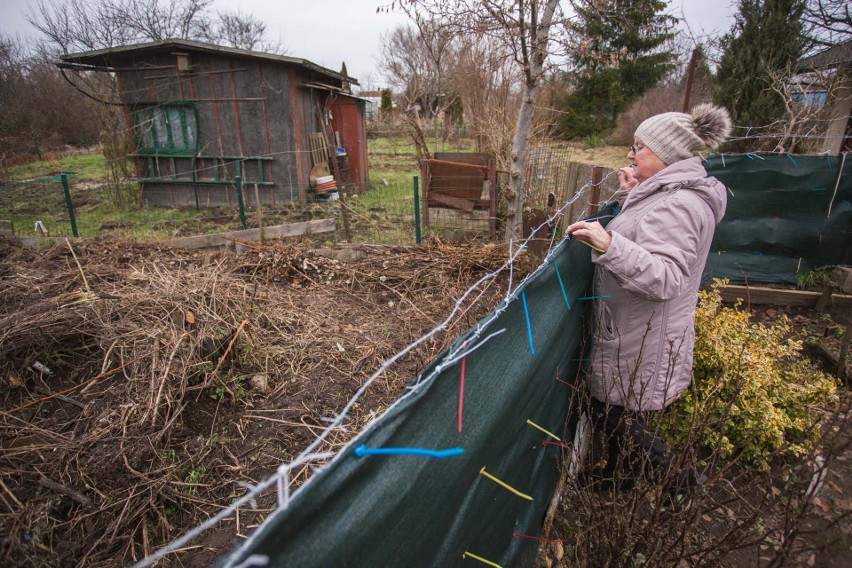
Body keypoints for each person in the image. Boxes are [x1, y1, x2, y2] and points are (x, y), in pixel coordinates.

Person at [564, 103, 732, 495]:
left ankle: (678, 482)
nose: (630, 153)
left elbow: (666, 277)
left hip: (642, 335)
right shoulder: (673, 194)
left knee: (608, 412)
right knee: (618, 412)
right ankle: (616, 482)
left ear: (666, 154)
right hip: (640, 329)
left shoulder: (679, 204)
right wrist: (634, 195)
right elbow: (652, 228)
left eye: (639, 146)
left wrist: (609, 244)